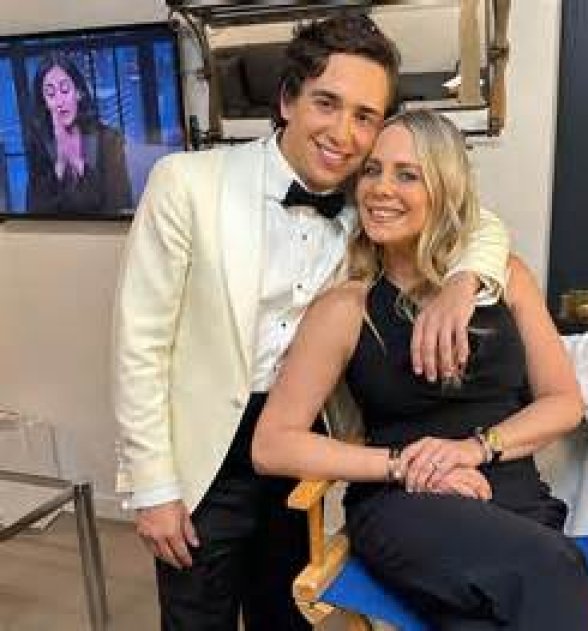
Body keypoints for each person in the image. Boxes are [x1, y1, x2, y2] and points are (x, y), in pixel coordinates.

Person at [112, 14, 509, 631]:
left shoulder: (369, 198)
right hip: (203, 451)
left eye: (365, 116)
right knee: (196, 618)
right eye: (327, 104)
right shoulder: (187, 183)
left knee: (288, 612)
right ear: (287, 101)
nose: (344, 134)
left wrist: (465, 282)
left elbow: (475, 220)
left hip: (304, 438)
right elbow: (139, 345)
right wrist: (153, 487)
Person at [252, 109, 588, 630]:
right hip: (405, 505)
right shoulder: (347, 308)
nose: (380, 188)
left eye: (407, 175)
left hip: (512, 497)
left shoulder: (505, 280)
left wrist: (474, 449)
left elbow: (563, 402)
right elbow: (272, 445)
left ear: (444, 189)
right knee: (552, 568)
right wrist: (404, 464)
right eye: (371, 171)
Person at [26, 51, 132, 215]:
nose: (60, 102)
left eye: (65, 89)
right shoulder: (40, 145)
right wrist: (60, 165)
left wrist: (78, 163)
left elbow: (119, 205)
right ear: (45, 103)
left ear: (79, 92)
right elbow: (34, 212)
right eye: (51, 94)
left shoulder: (109, 139)